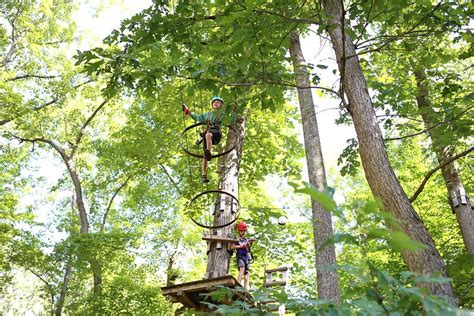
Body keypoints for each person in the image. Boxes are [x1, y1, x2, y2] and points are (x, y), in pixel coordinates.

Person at [182, 96, 226, 183]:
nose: (216, 103)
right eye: (214, 102)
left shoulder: (223, 114)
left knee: (209, 135)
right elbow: (197, 117)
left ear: (221, 105)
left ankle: (208, 151)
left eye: (218, 102)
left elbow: (230, 119)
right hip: (207, 136)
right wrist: (188, 112)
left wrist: (235, 114)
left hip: (216, 134)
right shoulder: (208, 114)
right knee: (204, 156)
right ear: (212, 105)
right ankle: (204, 175)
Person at [230, 221, 255, 289]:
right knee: (242, 269)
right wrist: (241, 246)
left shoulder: (246, 239)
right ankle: (237, 286)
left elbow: (248, 248)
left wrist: (250, 243)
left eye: (244, 231)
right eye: (242, 231)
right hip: (240, 256)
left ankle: (246, 290)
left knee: (246, 274)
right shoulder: (236, 239)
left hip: (246, 256)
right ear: (239, 231)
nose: (243, 232)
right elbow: (232, 247)